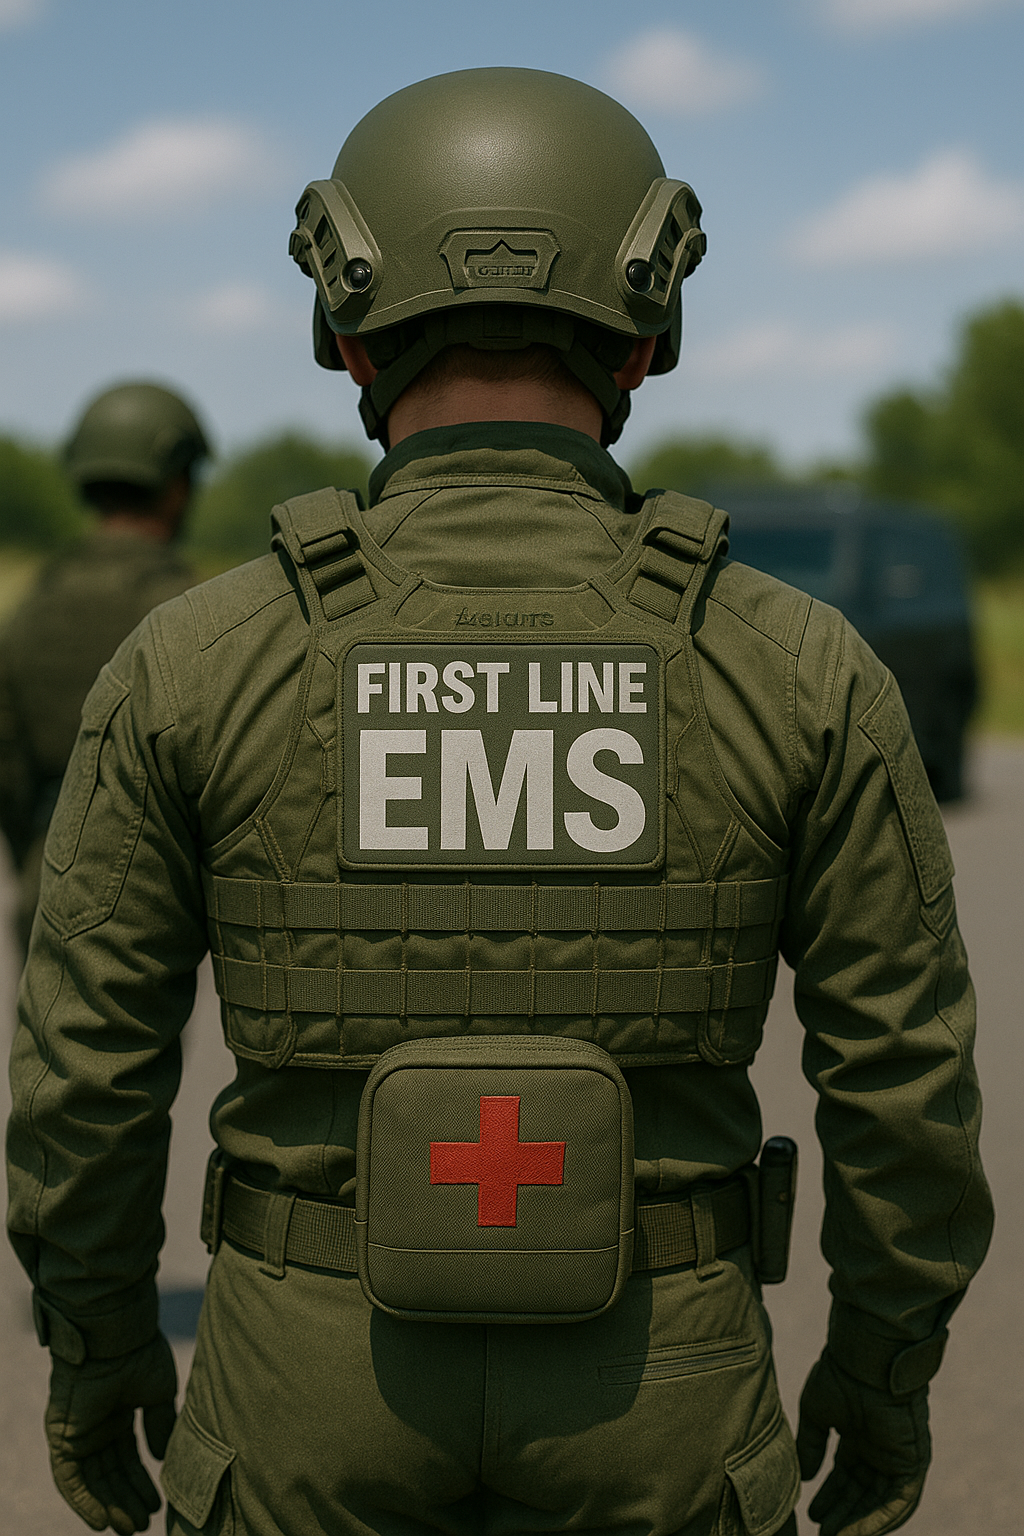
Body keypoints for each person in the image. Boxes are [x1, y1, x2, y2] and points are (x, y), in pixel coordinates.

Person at [5, 69, 991, 1536]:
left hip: (299, 1399)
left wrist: (96, 1354)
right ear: (650, 332)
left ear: (343, 327)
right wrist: (885, 1368)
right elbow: (906, 1089)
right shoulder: (796, 664)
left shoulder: (196, 661)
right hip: (665, 1396)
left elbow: (83, 1078)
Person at [0, 381, 210, 952]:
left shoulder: (31, 608)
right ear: (176, 482)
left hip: (51, 885)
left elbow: (11, 776)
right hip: (168, 898)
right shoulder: (201, 611)